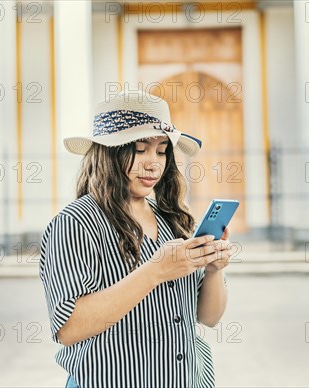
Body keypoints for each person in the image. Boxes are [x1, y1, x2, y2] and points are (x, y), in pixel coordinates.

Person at [39, 90, 233, 388]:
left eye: (161, 150)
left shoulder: (172, 218)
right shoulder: (75, 223)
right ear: (109, 153)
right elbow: (68, 327)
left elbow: (208, 317)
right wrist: (155, 271)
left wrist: (213, 270)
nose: (153, 163)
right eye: (140, 149)